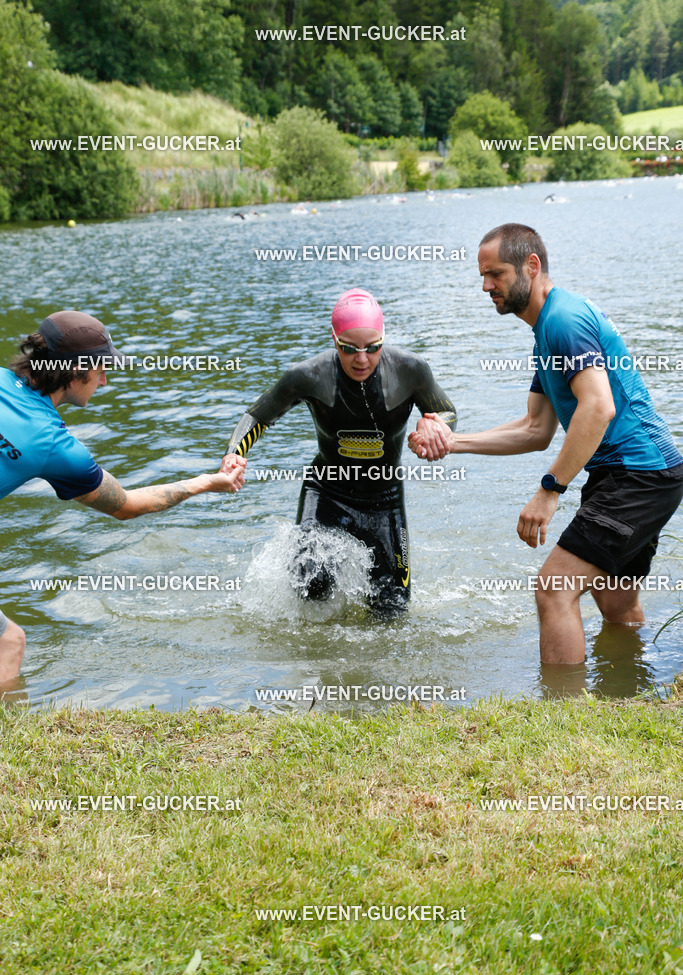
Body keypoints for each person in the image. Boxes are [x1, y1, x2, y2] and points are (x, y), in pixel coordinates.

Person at [409, 223, 683, 664]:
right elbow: (536, 429)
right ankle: (635, 683)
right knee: (614, 602)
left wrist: (549, 491)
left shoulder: (563, 321)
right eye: (482, 276)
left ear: (531, 266)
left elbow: (598, 408)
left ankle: (563, 717)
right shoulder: (547, 332)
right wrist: (452, 442)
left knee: (554, 590)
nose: (486, 286)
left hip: (638, 473)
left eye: (495, 274)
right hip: (640, 473)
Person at [0, 310, 246, 682]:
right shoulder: (55, 445)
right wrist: (207, 482)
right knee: (9, 642)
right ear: (73, 371)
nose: (103, 380)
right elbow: (127, 506)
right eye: (100, 369)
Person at [221, 288, 457, 614]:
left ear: (383, 340)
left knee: (392, 609)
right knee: (311, 584)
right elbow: (258, 416)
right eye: (350, 349)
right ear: (334, 341)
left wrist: (436, 428)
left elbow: (447, 412)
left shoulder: (411, 370)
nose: (362, 359)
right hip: (327, 491)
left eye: (372, 348)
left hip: (384, 498)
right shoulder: (308, 376)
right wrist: (235, 452)